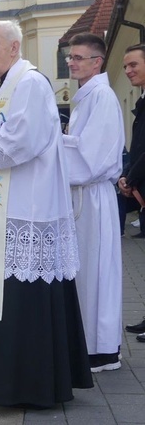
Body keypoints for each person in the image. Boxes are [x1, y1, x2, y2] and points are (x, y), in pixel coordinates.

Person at [0, 20, 92, 407]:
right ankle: (1, 380)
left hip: (26, 209)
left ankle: (27, 385)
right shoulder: (7, 88)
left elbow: (21, 143)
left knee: (22, 300)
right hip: (7, 211)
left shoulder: (30, 84)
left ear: (14, 48)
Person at [62, 32, 124, 371]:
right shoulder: (87, 97)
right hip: (82, 196)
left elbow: (92, 157)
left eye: (77, 57)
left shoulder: (102, 97)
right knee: (85, 271)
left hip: (93, 196)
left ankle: (101, 350)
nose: (70, 62)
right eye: (70, 57)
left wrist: (53, 146)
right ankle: (87, 343)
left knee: (97, 271)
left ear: (97, 62)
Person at [119, 43, 145, 340]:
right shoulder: (141, 100)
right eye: (124, 66)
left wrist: (131, 176)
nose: (127, 71)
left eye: (133, 65)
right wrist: (127, 176)